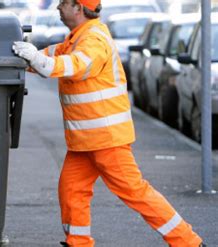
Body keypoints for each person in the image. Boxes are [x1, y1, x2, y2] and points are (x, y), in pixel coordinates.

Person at [12, 0, 205, 246]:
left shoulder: (94, 41)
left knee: (135, 192)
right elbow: (51, 56)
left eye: (63, 3)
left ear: (78, 8)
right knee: (71, 190)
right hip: (86, 140)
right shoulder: (77, 39)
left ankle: (188, 241)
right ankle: (78, 241)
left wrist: (36, 59)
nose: (58, 7)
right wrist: (27, 56)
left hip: (106, 139)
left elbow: (73, 66)